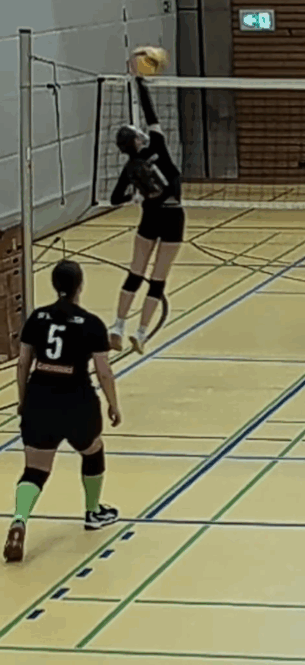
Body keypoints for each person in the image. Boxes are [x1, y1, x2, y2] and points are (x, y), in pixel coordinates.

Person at [4, 261, 122, 563]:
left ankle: (19, 519)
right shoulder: (92, 323)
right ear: (80, 286)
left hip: (40, 399)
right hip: (77, 401)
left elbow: (23, 363)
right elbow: (104, 372)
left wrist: (23, 399)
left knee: (35, 470)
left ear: (54, 285)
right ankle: (93, 512)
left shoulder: (36, 318)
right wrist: (113, 404)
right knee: (92, 450)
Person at [108, 71, 184, 354]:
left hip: (150, 216)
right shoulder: (158, 146)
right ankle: (140, 334)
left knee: (135, 273)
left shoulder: (130, 167)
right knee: (158, 279)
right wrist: (140, 84)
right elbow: (151, 115)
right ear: (138, 140)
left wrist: (134, 196)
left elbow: (114, 198)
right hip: (173, 216)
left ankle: (117, 326)